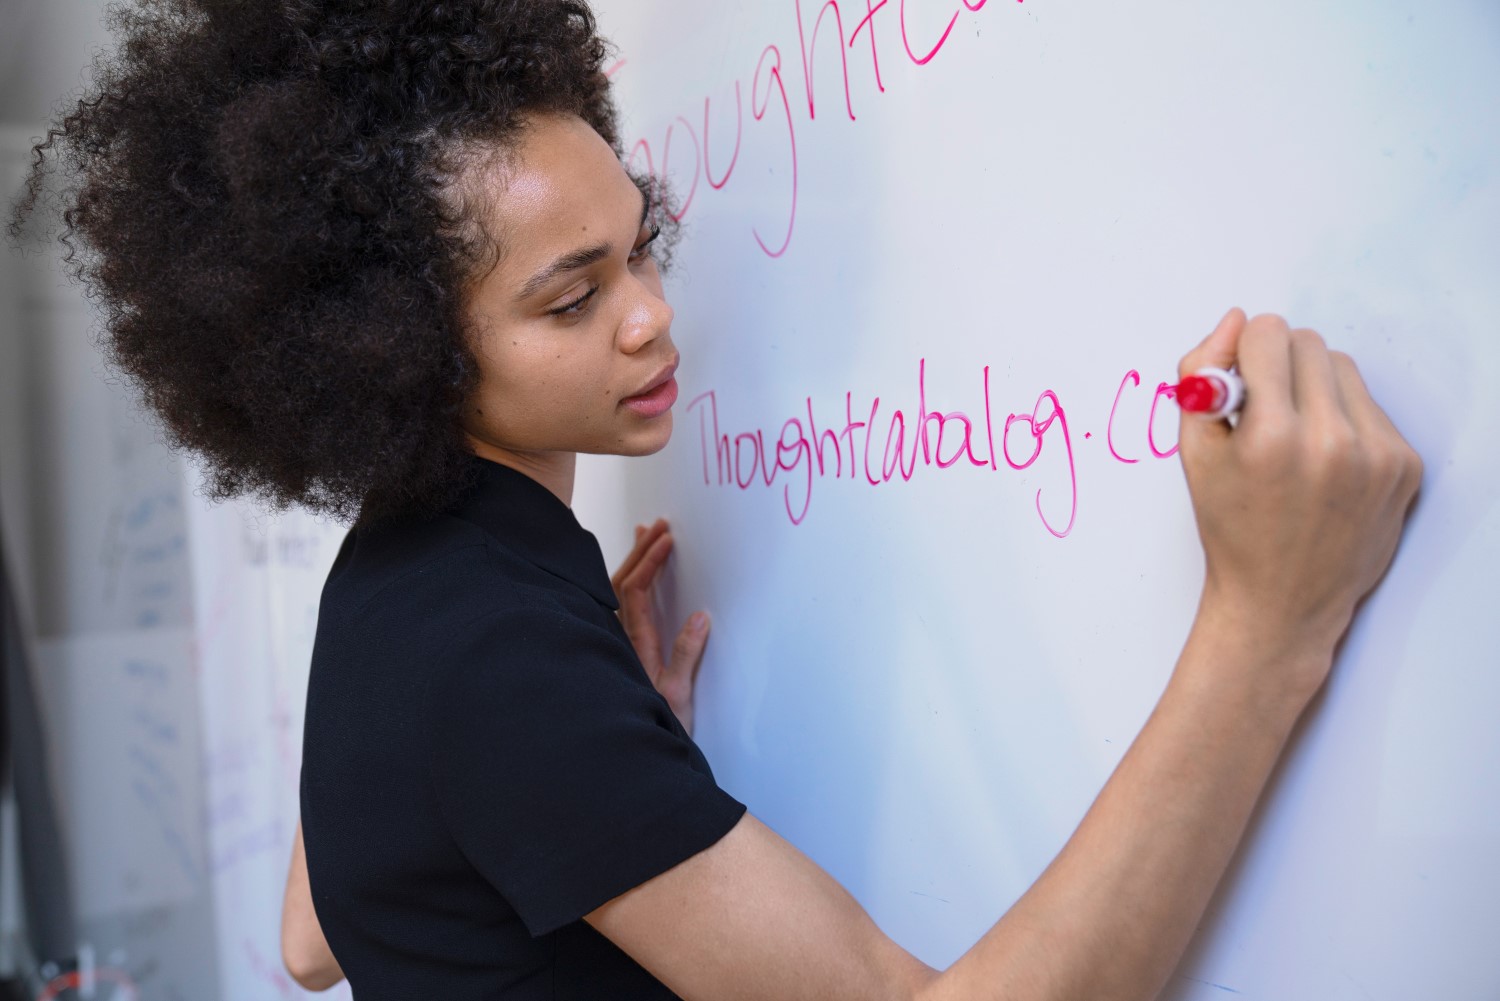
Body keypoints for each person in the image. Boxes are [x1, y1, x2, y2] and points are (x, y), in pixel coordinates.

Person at [14, 1, 1421, 999]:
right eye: (572, 296)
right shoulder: (491, 646)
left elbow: (314, 937)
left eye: (637, 248)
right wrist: (1267, 621)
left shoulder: (404, 570)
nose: (650, 317)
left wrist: (579, 796)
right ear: (393, 351)